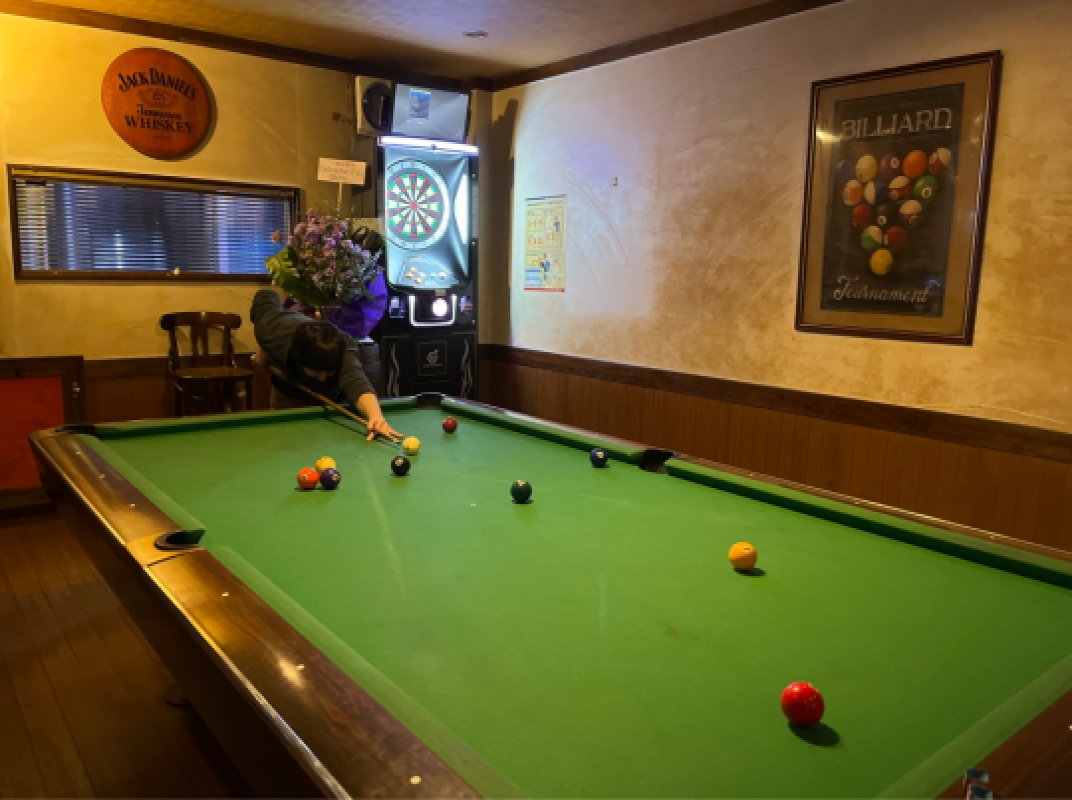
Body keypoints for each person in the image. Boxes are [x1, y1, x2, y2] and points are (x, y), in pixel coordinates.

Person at [250, 288, 399, 442]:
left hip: (334, 401)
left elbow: (357, 382)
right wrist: (263, 347)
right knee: (286, 443)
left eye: (329, 373)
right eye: (316, 374)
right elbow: (266, 295)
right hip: (288, 395)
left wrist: (376, 417)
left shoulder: (344, 349)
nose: (322, 379)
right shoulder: (273, 330)